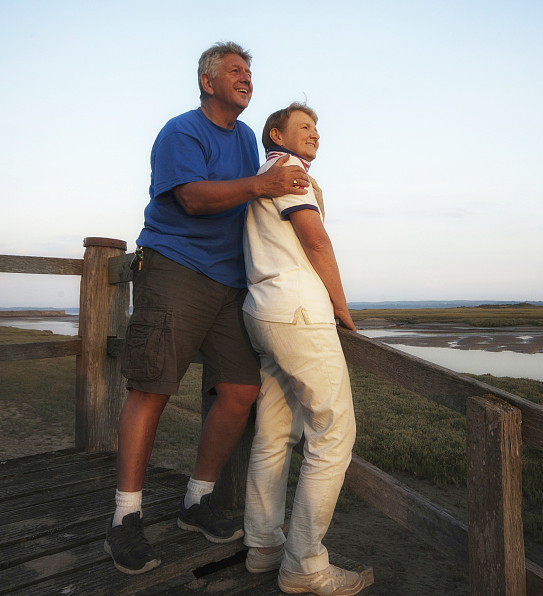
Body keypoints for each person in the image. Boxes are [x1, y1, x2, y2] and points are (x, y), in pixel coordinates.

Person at [104, 42, 310, 575]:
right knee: (152, 388)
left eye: (249, 72)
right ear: (207, 81)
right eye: (235, 71)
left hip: (231, 282)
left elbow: (262, 200)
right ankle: (126, 516)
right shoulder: (182, 132)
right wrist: (262, 184)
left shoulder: (246, 138)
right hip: (175, 267)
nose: (247, 79)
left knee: (241, 392)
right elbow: (193, 198)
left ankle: (197, 499)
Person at [241, 103, 363, 595]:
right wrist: (341, 307)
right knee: (333, 433)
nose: (314, 135)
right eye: (304, 127)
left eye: (317, 129)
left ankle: (264, 546)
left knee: (274, 432)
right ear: (277, 133)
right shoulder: (289, 172)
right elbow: (315, 242)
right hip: (298, 312)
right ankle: (305, 565)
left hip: (263, 311)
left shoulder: (263, 175)